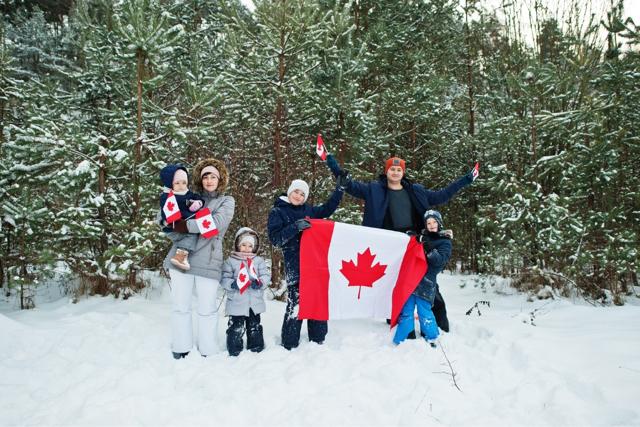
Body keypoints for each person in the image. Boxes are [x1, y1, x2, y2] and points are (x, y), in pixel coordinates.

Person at [326, 154, 477, 333]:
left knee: (426, 279)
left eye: (399, 169)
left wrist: (466, 180)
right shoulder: (374, 189)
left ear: (403, 172)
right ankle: (396, 319)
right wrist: (334, 166)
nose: (395, 172)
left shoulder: (415, 190)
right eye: (392, 169)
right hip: (388, 245)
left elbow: (441, 195)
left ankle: (440, 322)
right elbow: (350, 185)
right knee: (392, 281)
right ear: (386, 171)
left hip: (414, 243)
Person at [162, 159, 235, 359]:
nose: (209, 180)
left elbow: (214, 224)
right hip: (181, 257)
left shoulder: (226, 201)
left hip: (209, 260)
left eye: (213, 177)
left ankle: (208, 349)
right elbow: (167, 220)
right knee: (180, 306)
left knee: (207, 308)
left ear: (220, 179)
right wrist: (170, 225)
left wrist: (184, 226)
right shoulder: (188, 197)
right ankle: (181, 346)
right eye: (205, 177)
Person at [267, 177, 345, 350]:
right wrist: (295, 227)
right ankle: (289, 342)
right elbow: (276, 239)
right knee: (296, 302)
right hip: (295, 264)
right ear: (290, 192)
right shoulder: (278, 211)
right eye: (296, 192)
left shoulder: (308, 210)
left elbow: (327, 209)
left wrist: (339, 191)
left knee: (316, 300)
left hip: (314, 263)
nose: (299, 196)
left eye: (303, 194)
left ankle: (318, 339)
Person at [394, 210, 452, 347]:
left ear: (439, 223)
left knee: (424, 312)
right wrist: (410, 239)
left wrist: (427, 247)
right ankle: (405, 337)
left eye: (434, 222)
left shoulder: (445, 242)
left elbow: (439, 261)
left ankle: (431, 337)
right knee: (406, 310)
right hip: (411, 280)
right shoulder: (422, 237)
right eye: (428, 223)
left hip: (427, 282)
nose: (431, 225)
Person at [220, 227, 271, 356]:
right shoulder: (230, 261)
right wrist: (233, 284)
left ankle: (256, 347)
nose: (246, 249)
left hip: (254, 302)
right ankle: (234, 349)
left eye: (250, 246)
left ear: (254, 247)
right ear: (237, 244)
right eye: (243, 245)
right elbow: (224, 278)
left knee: (254, 326)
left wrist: (260, 282)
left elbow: (265, 276)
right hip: (236, 301)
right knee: (236, 327)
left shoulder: (258, 261)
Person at [159, 164, 204, 270]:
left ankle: (181, 255)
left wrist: (198, 202)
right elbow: (165, 210)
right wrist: (168, 221)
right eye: (177, 183)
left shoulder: (187, 193)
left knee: (190, 235)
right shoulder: (167, 196)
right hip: (174, 226)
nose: (181, 186)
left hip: (185, 223)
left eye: (184, 183)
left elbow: (196, 197)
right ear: (170, 183)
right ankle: (180, 257)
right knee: (191, 236)